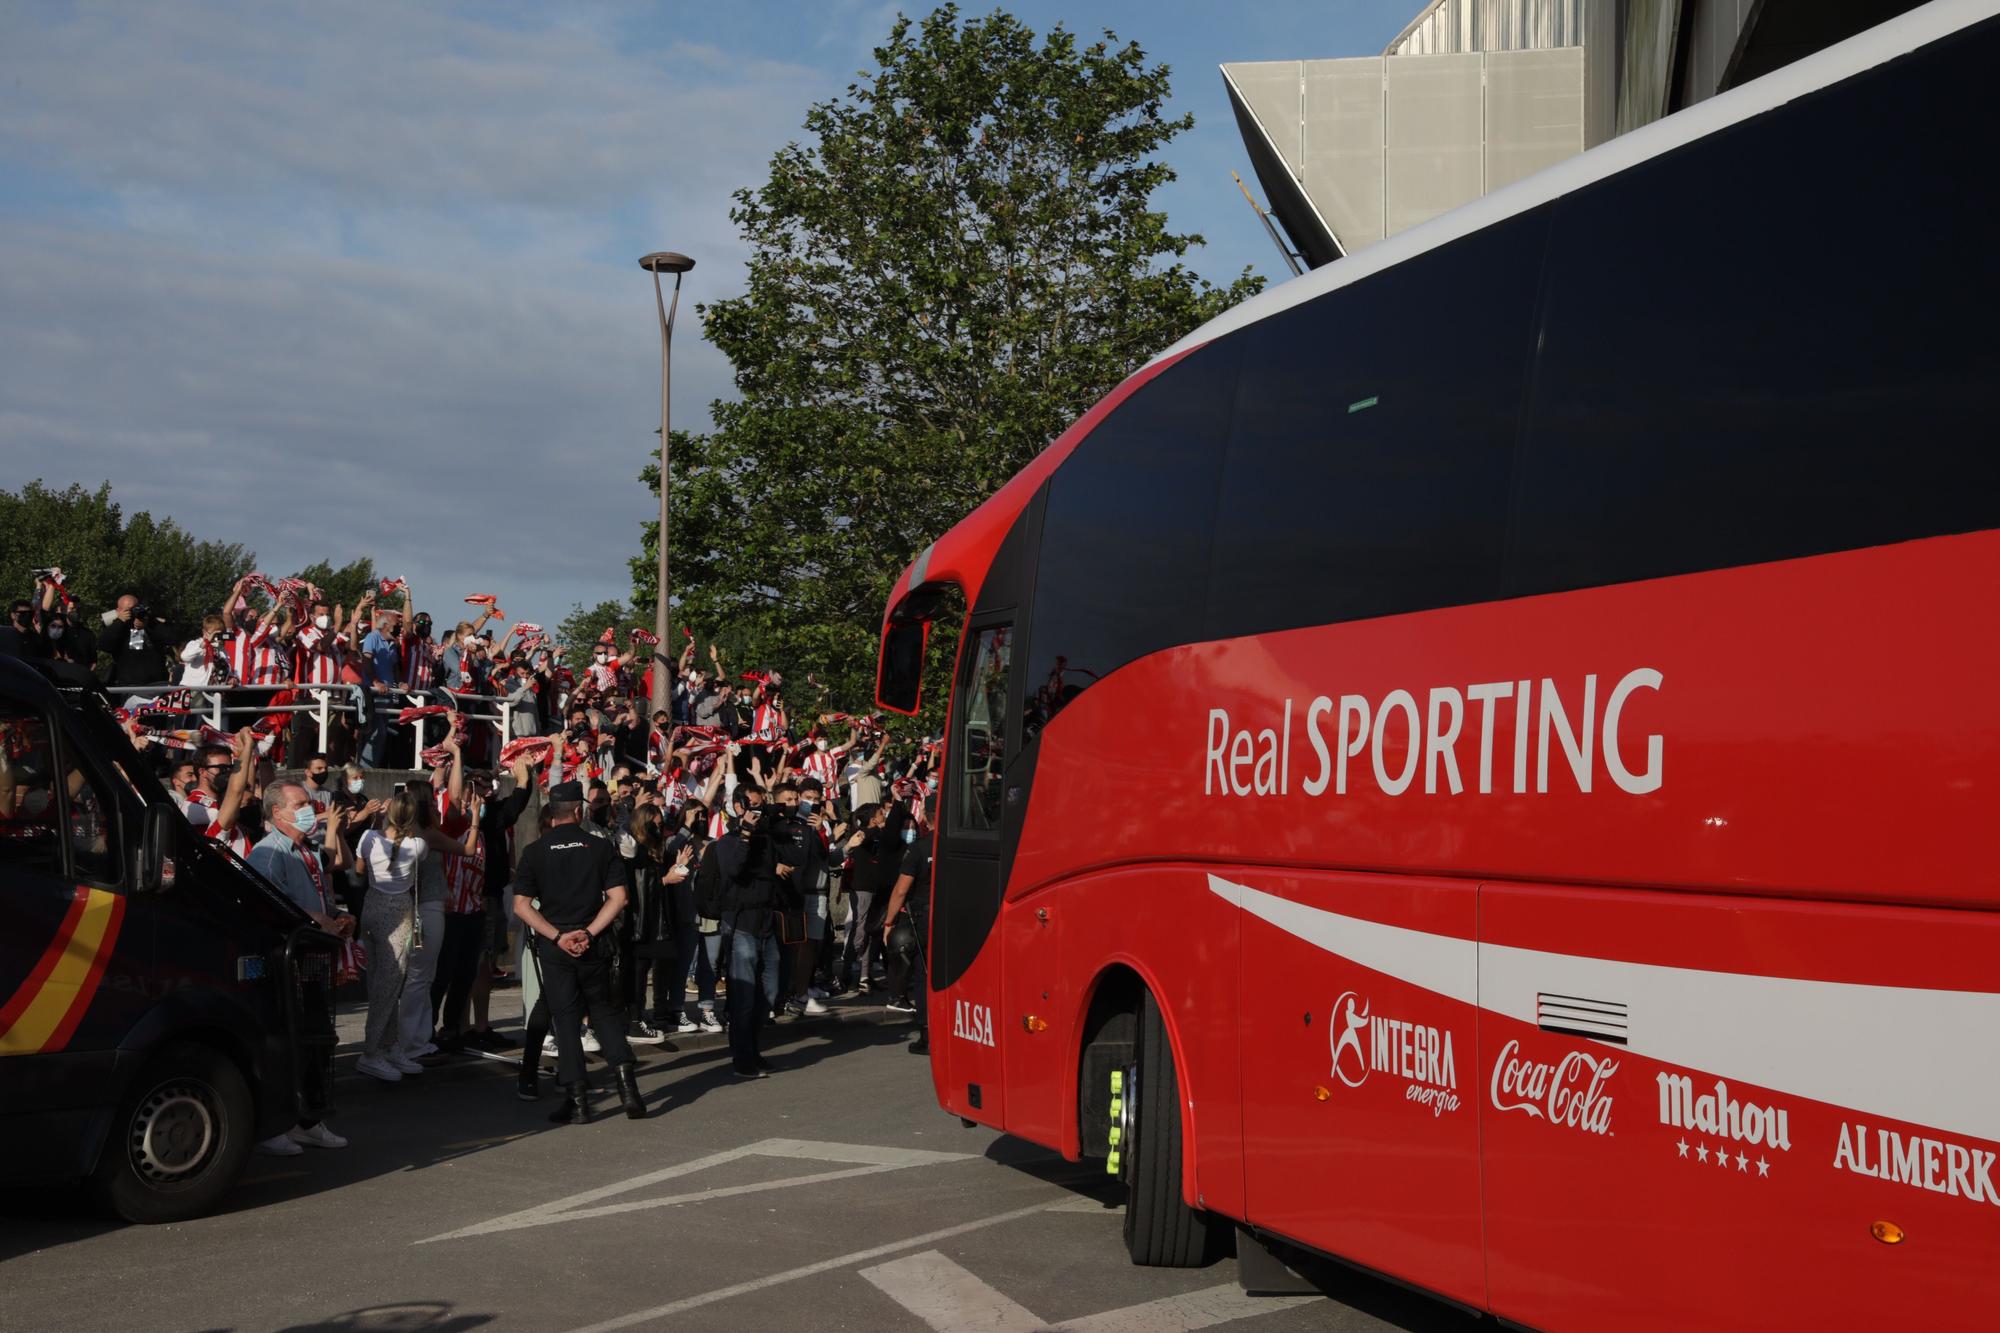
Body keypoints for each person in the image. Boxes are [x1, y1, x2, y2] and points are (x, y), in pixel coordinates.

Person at [511, 780, 645, 1123]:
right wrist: (588, 932)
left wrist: (558, 937)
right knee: (603, 1012)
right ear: (578, 810)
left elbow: (521, 905)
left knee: (566, 1019)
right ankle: (628, 1089)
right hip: (592, 941)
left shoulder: (535, 851)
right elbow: (619, 898)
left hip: (557, 945)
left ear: (552, 813)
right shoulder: (599, 847)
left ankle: (579, 1101)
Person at [247, 781, 356, 1149]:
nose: (309, 809)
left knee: (315, 1042)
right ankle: (275, 1126)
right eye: (300, 804)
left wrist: (336, 916)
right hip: (285, 965)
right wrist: (314, 917)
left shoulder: (307, 850)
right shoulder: (268, 852)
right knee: (286, 1045)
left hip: (312, 964)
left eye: (309, 803)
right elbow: (264, 903)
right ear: (277, 812)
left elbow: (317, 898)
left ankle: (308, 1119)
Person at [715, 801, 782, 1078]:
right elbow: (733, 869)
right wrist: (744, 834)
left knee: (769, 993)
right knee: (743, 998)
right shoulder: (727, 842)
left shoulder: (768, 841)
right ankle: (742, 1058)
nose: (757, 815)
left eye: (761, 808)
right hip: (741, 924)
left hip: (767, 923)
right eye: (752, 808)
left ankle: (752, 1049)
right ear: (739, 809)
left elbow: (796, 856)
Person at [879, 796, 936, 1053]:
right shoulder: (954, 844)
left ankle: (927, 1033)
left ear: (925, 815)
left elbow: (901, 890)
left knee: (924, 976)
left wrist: (889, 922)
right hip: (951, 916)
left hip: (924, 918)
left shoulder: (919, 848)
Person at [101, 595, 172, 687]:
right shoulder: (118, 627)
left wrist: (148, 624)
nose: (132, 612)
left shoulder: (149, 621)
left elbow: (172, 639)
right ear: (118, 611)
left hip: (158, 683)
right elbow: (105, 646)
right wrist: (119, 622)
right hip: (130, 685)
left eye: (135, 608)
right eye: (128, 610)